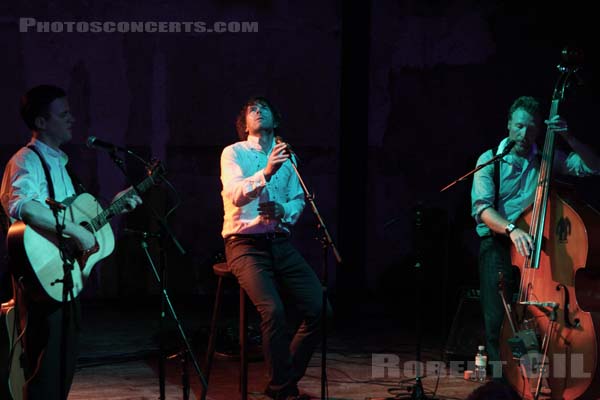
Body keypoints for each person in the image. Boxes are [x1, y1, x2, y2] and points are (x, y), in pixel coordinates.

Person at [0, 84, 142, 399]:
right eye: (63, 114)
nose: (72, 119)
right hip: (42, 274)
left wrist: (113, 205)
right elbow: (20, 204)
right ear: (40, 122)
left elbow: (78, 214)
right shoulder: (27, 160)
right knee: (47, 364)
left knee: (62, 361)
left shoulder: (61, 163)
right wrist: (74, 231)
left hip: (65, 275)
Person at [471, 95, 600, 378]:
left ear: (538, 131)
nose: (524, 134)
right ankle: (500, 384)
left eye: (530, 129)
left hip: (535, 248)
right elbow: (482, 210)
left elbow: (593, 167)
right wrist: (512, 229)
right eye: (518, 126)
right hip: (499, 243)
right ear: (508, 124)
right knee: (498, 320)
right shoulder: (489, 160)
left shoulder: (545, 158)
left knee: (534, 319)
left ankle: (528, 380)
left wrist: (568, 137)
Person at [220, 96, 331, 400]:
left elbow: (299, 199)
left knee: (321, 309)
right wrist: (266, 172)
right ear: (244, 124)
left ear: (276, 120)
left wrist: (283, 209)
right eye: (251, 110)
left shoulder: (288, 157)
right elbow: (235, 195)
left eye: (264, 107)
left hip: (280, 243)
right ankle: (283, 390)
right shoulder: (234, 153)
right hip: (244, 244)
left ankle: (284, 378)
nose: (258, 111)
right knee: (274, 310)